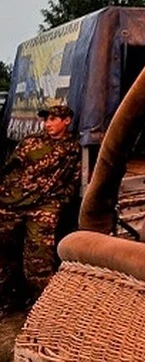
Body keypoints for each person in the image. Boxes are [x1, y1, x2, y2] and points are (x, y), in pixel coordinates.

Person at [0, 104, 82, 310]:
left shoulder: (73, 149)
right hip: (12, 204)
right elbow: (9, 169)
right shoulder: (31, 142)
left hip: (43, 208)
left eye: (53, 119)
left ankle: (43, 307)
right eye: (46, 120)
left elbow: (74, 181)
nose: (48, 124)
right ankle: (6, 300)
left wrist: (58, 201)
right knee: (4, 254)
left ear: (67, 121)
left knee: (38, 260)